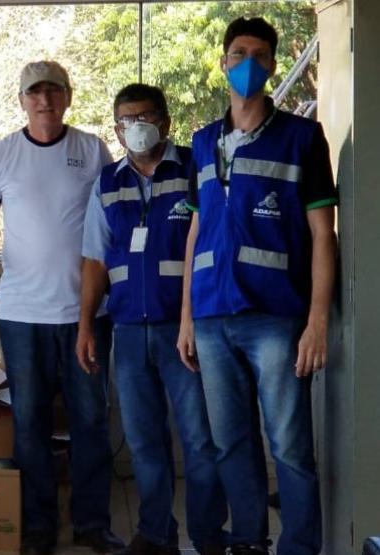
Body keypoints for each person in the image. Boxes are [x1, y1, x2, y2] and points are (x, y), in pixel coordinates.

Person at [0, 60, 123, 555]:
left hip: (87, 314)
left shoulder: (91, 150)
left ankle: (92, 524)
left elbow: (114, 218)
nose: (44, 100)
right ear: (21, 100)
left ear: (68, 96)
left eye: (53, 91)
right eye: (34, 93)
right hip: (22, 315)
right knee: (30, 423)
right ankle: (38, 526)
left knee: (90, 422)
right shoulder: (1, 155)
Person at [176, 17, 337, 555]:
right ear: (223, 62)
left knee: (289, 446)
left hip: (275, 320)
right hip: (213, 319)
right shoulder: (202, 143)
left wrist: (316, 322)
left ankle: (298, 546)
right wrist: (187, 318)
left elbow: (322, 234)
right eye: (239, 52)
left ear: (271, 65)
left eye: (260, 55)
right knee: (230, 444)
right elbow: (196, 232)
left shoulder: (302, 138)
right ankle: (247, 542)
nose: (249, 63)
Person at [77, 83, 227, 555]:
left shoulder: (195, 169)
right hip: (126, 330)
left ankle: (206, 535)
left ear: (164, 121)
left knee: (200, 441)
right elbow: (95, 261)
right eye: (125, 120)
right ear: (117, 128)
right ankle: (155, 533)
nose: (135, 127)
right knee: (144, 443)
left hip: (184, 329)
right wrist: (86, 325)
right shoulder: (107, 182)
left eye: (144, 116)